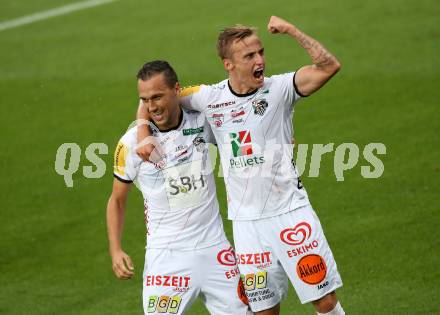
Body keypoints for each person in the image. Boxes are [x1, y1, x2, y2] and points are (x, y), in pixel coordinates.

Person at [136, 16, 345, 315]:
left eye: (260, 52)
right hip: (246, 227)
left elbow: (329, 66)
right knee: (264, 311)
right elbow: (157, 96)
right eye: (249, 56)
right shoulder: (209, 97)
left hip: (290, 213)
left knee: (324, 300)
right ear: (228, 64)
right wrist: (143, 131)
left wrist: (290, 30)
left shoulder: (280, 89)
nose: (259, 60)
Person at [106, 60, 251, 315]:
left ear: (177, 89)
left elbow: (239, 126)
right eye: (145, 99)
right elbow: (117, 200)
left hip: (215, 249)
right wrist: (115, 249)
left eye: (158, 97)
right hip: (166, 258)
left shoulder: (203, 122)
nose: (152, 107)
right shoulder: (130, 144)